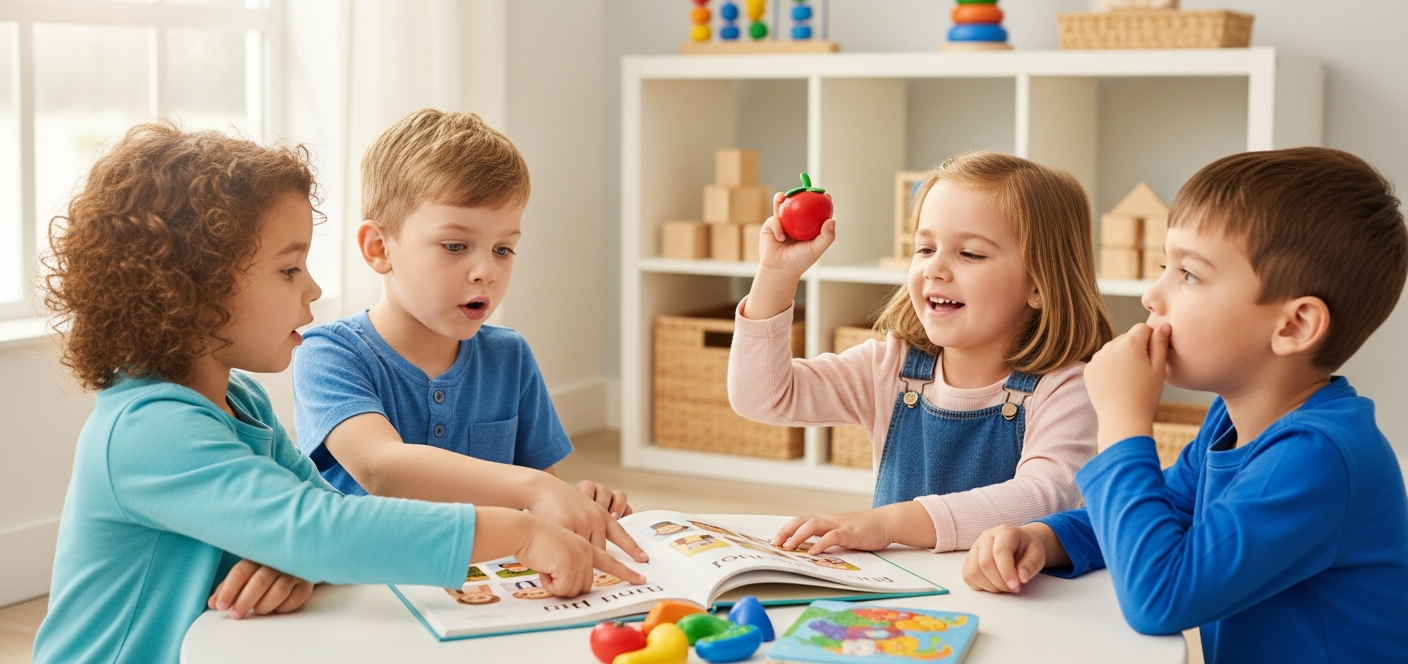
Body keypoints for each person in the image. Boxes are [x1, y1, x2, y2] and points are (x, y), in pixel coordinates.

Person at [31, 123, 644, 664]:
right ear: (196, 288)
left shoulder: (239, 399)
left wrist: (297, 556)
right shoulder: (148, 428)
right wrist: (520, 531)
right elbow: (322, 522)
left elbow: (315, 515)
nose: (315, 288)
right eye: (289, 269)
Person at [963, 148, 1408, 663]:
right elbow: (1169, 511)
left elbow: (1161, 596)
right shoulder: (1233, 418)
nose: (1153, 295)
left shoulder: (1319, 458)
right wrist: (1044, 538)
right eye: (1162, 266)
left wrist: (1124, 419)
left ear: (1294, 326)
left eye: (1189, 275)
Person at [292, 109, 645, 561]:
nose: (486, 272)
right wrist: (536, 488)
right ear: (379, 249)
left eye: (503, 249)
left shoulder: (509, 356)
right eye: (456, 246)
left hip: (488, 591)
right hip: (372, 587)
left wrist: (576, 505)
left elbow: (541, 495)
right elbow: (382, 468)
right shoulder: (329, 354)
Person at [730, 151, 1111, 553]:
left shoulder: (1065, 388)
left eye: (970, 254)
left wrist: (888, 523)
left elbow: (1041, 498)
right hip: (900, 591)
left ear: (1038, 285)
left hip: (1008, 598)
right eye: (926, 249)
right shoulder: (889, 366)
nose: (935, 269)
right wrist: (776, 276)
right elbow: (763, 398)